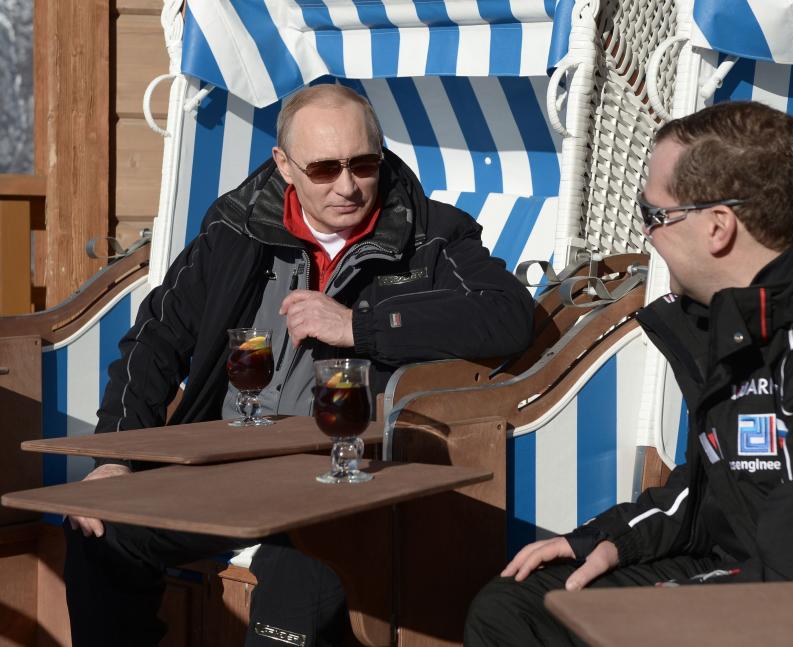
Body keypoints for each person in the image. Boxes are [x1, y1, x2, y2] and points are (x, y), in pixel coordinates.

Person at [464, 100, 793, 646]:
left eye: (653, 216)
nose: (647, 235)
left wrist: (667, 609)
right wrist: (615, 539)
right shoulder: (738, 321)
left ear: (718, 227)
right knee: (517, 608)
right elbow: (719, 489)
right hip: (751, 576)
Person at [64, 84, 535, 647]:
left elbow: (508, 316)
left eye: (363, 164)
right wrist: (116, 456)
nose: (347, 185)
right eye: (323, 168)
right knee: (100, 531)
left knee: (292, 601)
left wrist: (359, 325)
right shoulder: (236, 229)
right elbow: (155, 338)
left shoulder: (432, 234)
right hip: (230, 462)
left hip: (347, 478)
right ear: (284, 166)